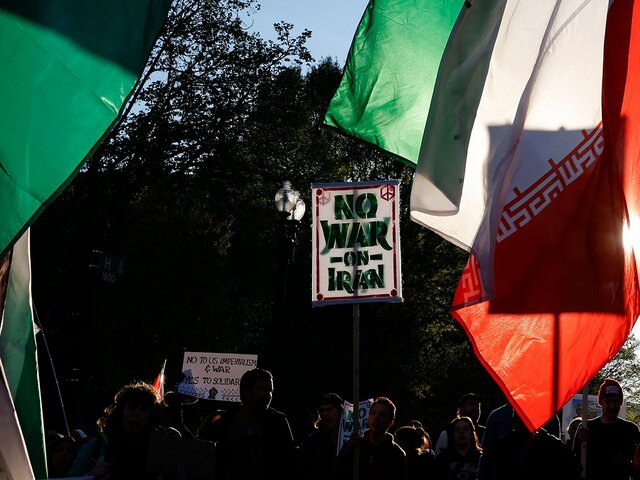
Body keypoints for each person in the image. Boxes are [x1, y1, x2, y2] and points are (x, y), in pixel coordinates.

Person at [206, 367, 296, 480]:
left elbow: (289, 462)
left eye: (270, 390)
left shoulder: (278, 422)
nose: (268, 395)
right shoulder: (227, 420)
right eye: (263, 389)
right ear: (246, 391)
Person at [68, 380, 165, 479]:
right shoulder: (96, 446)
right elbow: (71, 477)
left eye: (143, 409)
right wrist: (91, 475)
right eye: (131, 407)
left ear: (151, 415)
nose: (136, 413)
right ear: (120, 411)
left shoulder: (160, 449)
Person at [482, 409, 581, 480]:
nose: (520, 420)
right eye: (518, 414)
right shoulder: (502, 446)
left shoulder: (551, 444)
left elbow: (574, 468)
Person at [572, 378, 640, 480]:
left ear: (620, 403)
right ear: (601, 402)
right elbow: (573, 461)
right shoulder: (587, 427)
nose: (612, 406)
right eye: (608, 401)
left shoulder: (631, 429)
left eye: (616, 401)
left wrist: (629, 465)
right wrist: (578, 441)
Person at [334, 396, 406, 480]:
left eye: (382, 415)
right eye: (373, 413)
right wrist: (346, 450)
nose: (376, 417)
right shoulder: (354, 447)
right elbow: (336, 472)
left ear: (390, 423)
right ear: (368, 418)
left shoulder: (397, 454)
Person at [296, 392, 345, 480]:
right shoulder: (313, 440)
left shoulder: (350, 436)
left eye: (329, 409)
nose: (325, 413)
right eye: (322, 411)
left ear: (340, 411)